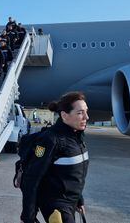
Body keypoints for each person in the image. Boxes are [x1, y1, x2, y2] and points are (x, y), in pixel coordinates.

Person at [20, 92, 89, 223]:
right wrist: (28, 217)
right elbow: (32, 178)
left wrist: (79, 199)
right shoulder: (50, 140)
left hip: (71, 202)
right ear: (64, 115)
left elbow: (72, 175)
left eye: (86, 111)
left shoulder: (77, 137)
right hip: (55, 205)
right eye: (80, 113)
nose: (86, 117)